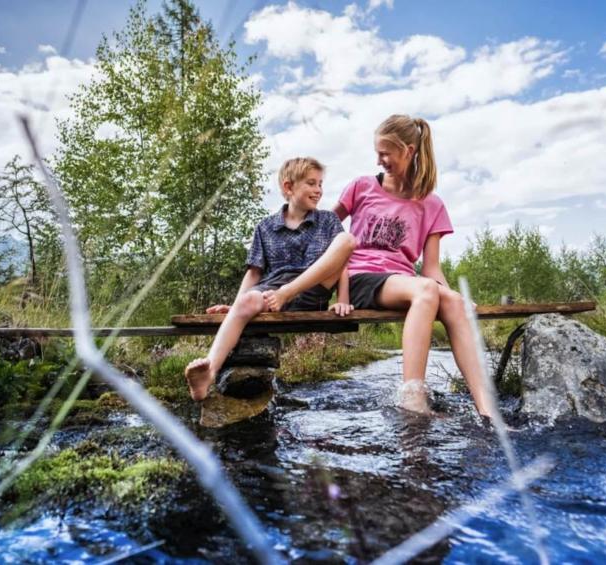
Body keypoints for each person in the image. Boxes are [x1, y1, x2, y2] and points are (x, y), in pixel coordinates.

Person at [333, 115, 490, 415]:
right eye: (377, 153)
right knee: (426, 290)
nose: (379, 161)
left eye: (385, 153)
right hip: (359, 278)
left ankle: (486, 408)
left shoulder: (432, 204)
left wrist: (451, 295)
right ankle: (412, 397)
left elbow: (431, 269)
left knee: (454, 302)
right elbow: (323, 231)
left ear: (408, 151)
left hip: (405, 284)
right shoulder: (361, 187)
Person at [185, 157, 356, 401]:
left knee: (347, 240)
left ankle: (287, 291)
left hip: (314, 288)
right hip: (274, 292)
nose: (318, 190)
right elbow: (254, 273)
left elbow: (341, 262)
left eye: (320, 184)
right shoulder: (265, 227)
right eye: (311, 183)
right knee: (248, 301)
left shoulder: (328, 220)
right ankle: (208, 373)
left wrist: (343, 299)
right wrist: (237, 306)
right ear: (288, 187)